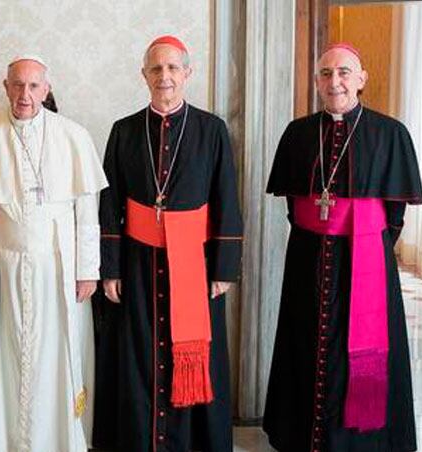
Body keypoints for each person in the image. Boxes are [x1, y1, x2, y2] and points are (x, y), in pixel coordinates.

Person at [264, 43, 422, 451]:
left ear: (361, 79)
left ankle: (360, 441)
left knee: (358, 349)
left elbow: (394, 215)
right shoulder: (298, 134)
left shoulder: (390, 134)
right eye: (325, 73)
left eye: (343, 72)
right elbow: (292, 206)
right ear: (317, 80)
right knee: (305, 344)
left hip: (365, 261)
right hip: (307, 260)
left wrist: (362, 240)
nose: (334, 81)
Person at [0, 54, 108, 452]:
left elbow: (87, 212)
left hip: (58, 266)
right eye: (17, 85)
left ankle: (59, 437)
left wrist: (87, 269)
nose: (25, 94)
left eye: (34, 86)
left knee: (57, 354)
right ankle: (1, 438)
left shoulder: (73, 135)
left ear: (47, 89)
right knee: (1, 354)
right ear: (5, 87)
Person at [96, 35, 243, 451]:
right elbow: (110, 205)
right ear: (144, 75)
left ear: (187, 74)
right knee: (138, 354)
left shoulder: (211, 129)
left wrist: (224, 268)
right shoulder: (123, 131)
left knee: (195, 354)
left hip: (196, 263)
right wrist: (111, 269)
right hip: (138, 261)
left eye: (173, 68)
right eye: (157, 69)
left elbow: (227, 200)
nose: (165, 76)